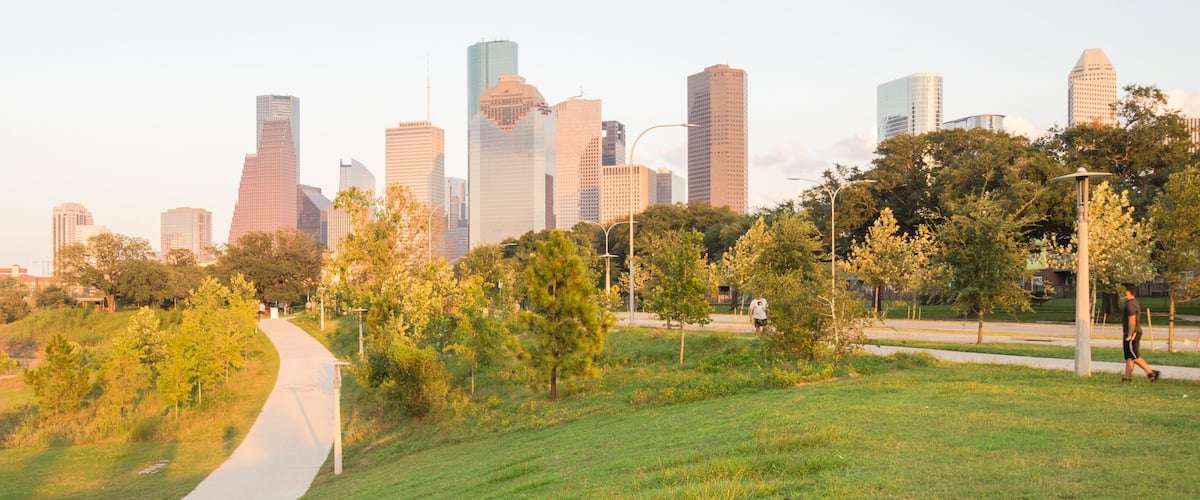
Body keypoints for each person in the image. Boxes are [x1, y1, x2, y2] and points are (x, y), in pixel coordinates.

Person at [1121, 284, 1160, 383]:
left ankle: (1152, 373)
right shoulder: (1130, 303)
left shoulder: (1131, 304)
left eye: (1122, 290)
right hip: (1129, 333)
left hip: (1133, 333)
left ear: (1127, 291)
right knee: (1129, 357)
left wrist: (1129, 335)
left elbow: (1132, 321)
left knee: (1134, 356)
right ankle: (1127, 378)